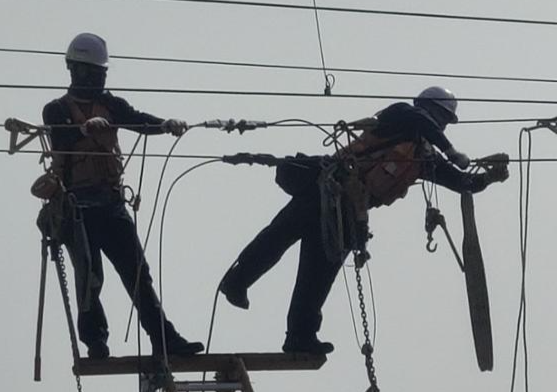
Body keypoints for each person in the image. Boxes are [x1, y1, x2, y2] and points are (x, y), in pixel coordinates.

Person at [219, 86, 509, 355]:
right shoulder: (399, 117)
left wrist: (489, 177)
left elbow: (460, 182)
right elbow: (420, 120)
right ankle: (236, 282)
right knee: (276, 238)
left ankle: (300, 337)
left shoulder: (424, 158)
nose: (441, 124)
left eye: (445, 121)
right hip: (325, 188)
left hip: (346, 213)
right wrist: (451, 150)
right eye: (440, 117)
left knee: (317, 277)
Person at [39, 33, 203, 359]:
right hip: (78, 208)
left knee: (138, 274)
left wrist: (165, 125)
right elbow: (63, 137)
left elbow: (137, 120)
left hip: (111, 204)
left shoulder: (111, 104)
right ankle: (96, 342)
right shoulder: (57, 110)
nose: (100, 79)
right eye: (95, 73)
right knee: (90, 279)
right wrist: (86, 128)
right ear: (79, 71)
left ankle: (165, 340)